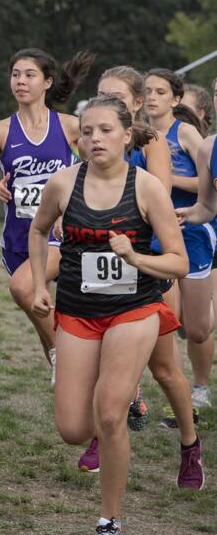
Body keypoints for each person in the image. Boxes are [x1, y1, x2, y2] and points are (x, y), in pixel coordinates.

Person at [29, 95, 194, 535]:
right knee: (71, 428)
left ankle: (110, 518)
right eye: (86, 131)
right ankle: (121, 399)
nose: (95, 138)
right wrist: (36, 283)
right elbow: (39, 228)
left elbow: (178, 263)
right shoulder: (63, 184)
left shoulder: (146, 187)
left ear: (127, 135)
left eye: (104, 130)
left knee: (108, 415)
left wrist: (137, 258)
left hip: (133, 309)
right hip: (78, 312)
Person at [80, 67, 202, 479]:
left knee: (165, 369)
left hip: (148, 266)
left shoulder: (152, 146)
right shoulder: (92, 142)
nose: (104, 106)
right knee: (101, 362)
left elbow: (159, 199)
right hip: (98, 266)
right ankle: (104, 431)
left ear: (134, 106)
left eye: (114, 98)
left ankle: (189, 443)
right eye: (99, 95)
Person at [0, 49, 92, 380]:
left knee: (24, 289)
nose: (21, 81)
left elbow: (95, 172)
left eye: (29, 74)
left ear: (47, 82)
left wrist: (69, 208)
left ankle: (76, 365)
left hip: (57, 236)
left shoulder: (70, 127)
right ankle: (70, 386)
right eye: (15, 74)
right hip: (17, 238)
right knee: (43, 317)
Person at [144, 68, 216, 413]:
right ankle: (179, 390)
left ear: (175, 99)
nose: (152, 97)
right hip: (158, 237)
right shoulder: (136, 135)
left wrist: (165, 179)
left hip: (195, 234)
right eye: (148, 91)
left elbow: (205, 186)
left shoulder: (186, 134)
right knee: (168, 318)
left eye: (161, 91)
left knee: (198, 330)